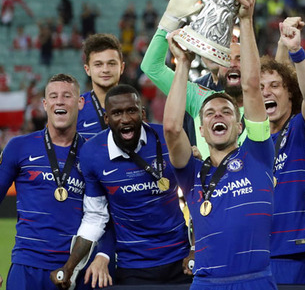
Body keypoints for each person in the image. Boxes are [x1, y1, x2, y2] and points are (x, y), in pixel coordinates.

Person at [164, 0, 278, 289]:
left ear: (240, 125)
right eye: (210, 113)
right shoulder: (191, 173)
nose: (218, 115)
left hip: (256, 281)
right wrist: (183, 63)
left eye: (227, 111)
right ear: (200, 129)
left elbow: (252, 87)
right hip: (207, 283)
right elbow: (173, 128)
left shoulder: (258, 154)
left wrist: (246, 19)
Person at [51, 84, 191, 288]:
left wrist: (196, 249)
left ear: (143, 113)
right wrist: (70, 266)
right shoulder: (92, 153)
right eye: (116, 113)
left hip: (181, 259)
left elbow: (196, 198)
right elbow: (95, 216)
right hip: (133, 267)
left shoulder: (168, 138)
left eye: (131, 111)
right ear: (107, 119)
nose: (125, 119)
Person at [0, 74, 94, 290]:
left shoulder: (92, 153)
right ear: (45, 104)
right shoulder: (19, 147)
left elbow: (102, 216)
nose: (59, 101)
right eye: (53, 96)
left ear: (80, 102)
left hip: (76, 269)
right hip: (26, 268)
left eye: (67, 96)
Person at [140, 0, 244, 159]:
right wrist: (169, 21)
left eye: (240, 59)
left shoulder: (263, 97)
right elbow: (152, 67)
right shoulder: (202, 98)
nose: (210, 48)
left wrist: (247, 21)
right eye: (203, 42)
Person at [263, 20, 305, 284]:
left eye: (276, 86)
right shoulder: (251, 138)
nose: (267, 92)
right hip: (254, 252)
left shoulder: (301, 128)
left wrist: (296, 52)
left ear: (290, 94)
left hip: (291, 250)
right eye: (262, 88)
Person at [77, 34, 125, 138]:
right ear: (87, 69)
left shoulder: (133, 107)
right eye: (98, 64)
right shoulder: (76, 109)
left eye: (111, 64)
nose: (105, 70)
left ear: (121, 68)